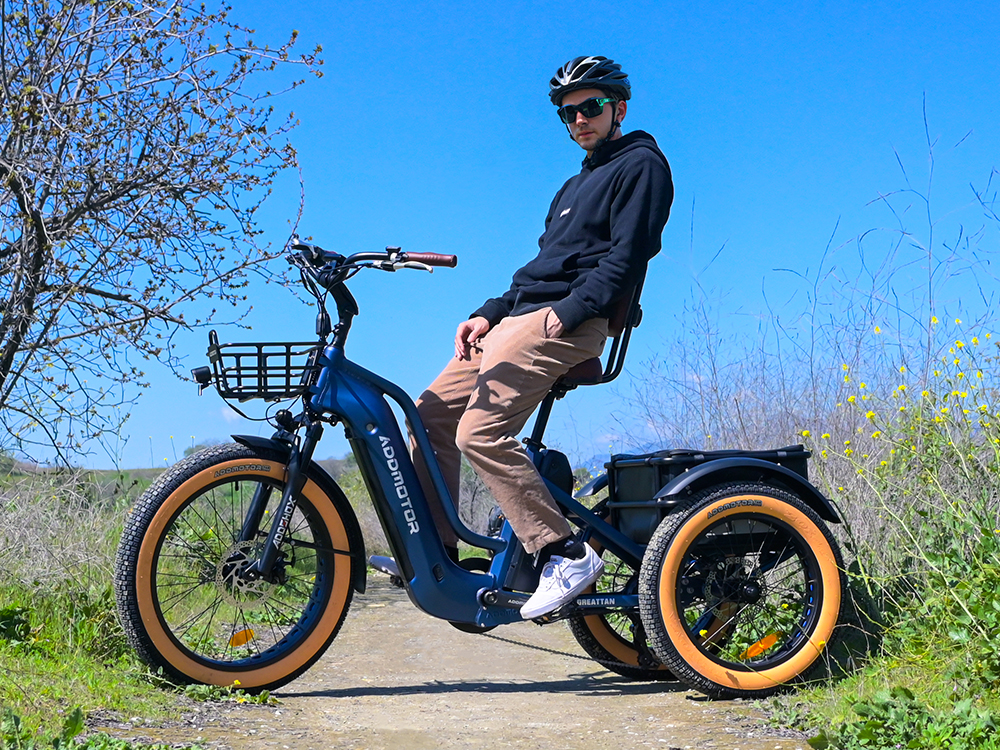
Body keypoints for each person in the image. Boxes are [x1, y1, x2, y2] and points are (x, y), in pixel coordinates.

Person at [413, 56, 673, 619]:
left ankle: (563, 550)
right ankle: (443, 558)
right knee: (428, 415)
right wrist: (488, 313)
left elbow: (628, 258)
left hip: (569, 321)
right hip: (521, 319)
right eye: (568, 113)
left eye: (591, 107)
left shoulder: (642, 165)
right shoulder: (571, 186)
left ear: (618, 108)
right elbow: (539, 269)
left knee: (477, 433)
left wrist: (570, 312)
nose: (579, 118)